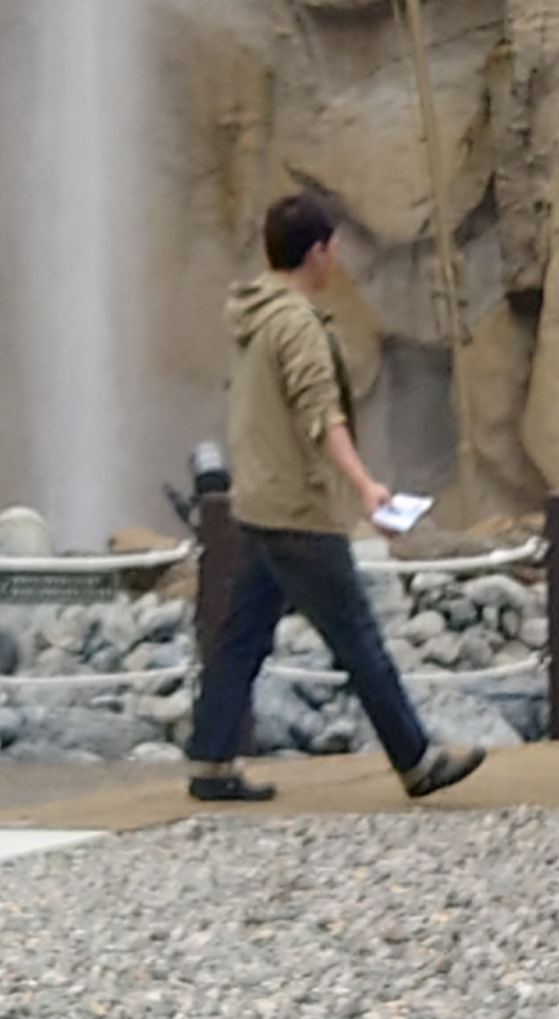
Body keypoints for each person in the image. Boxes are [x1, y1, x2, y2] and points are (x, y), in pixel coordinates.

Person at [182, 192, 481, 805]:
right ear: (317, 252)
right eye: (332, 247)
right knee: (358, 638)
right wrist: (367, 487)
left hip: (259, 501)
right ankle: (416, 762)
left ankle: (211, 761)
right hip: (298, 508)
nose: (337, 258)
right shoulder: (296, 323)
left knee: (240, 637)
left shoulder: (253, 313)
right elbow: (322, 416)